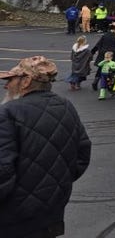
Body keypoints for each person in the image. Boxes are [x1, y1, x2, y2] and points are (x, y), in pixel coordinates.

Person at [0, 56, 92, 238]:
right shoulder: (66, 106)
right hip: (51, 213)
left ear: (26, 81)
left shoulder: (8, 113)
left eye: (11, 79)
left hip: (13, 221)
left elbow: (2, 171)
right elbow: (82, 154)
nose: (6, 85)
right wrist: (54, 187)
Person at [90, 21, 115, 90]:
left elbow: (99, 44)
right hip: (113, 54)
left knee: (101, 68)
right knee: (113, 69)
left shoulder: (106, 35)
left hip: (104, 54)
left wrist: (93, 51)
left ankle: (95, 81)